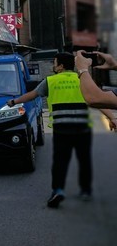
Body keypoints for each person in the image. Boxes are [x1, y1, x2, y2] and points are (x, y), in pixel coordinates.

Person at [6, 52, 115, 208]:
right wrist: (112, 117)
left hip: (62, 129)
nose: (53, 65)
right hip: (82, 128)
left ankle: (58, 190)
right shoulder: (82, 80)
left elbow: (32, 95)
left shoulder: (50, 81)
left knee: (60, 161)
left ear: (61, 66)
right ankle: (85, 190)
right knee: (84, 160)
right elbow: (99, 99)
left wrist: (13, 101)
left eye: (55, 62)